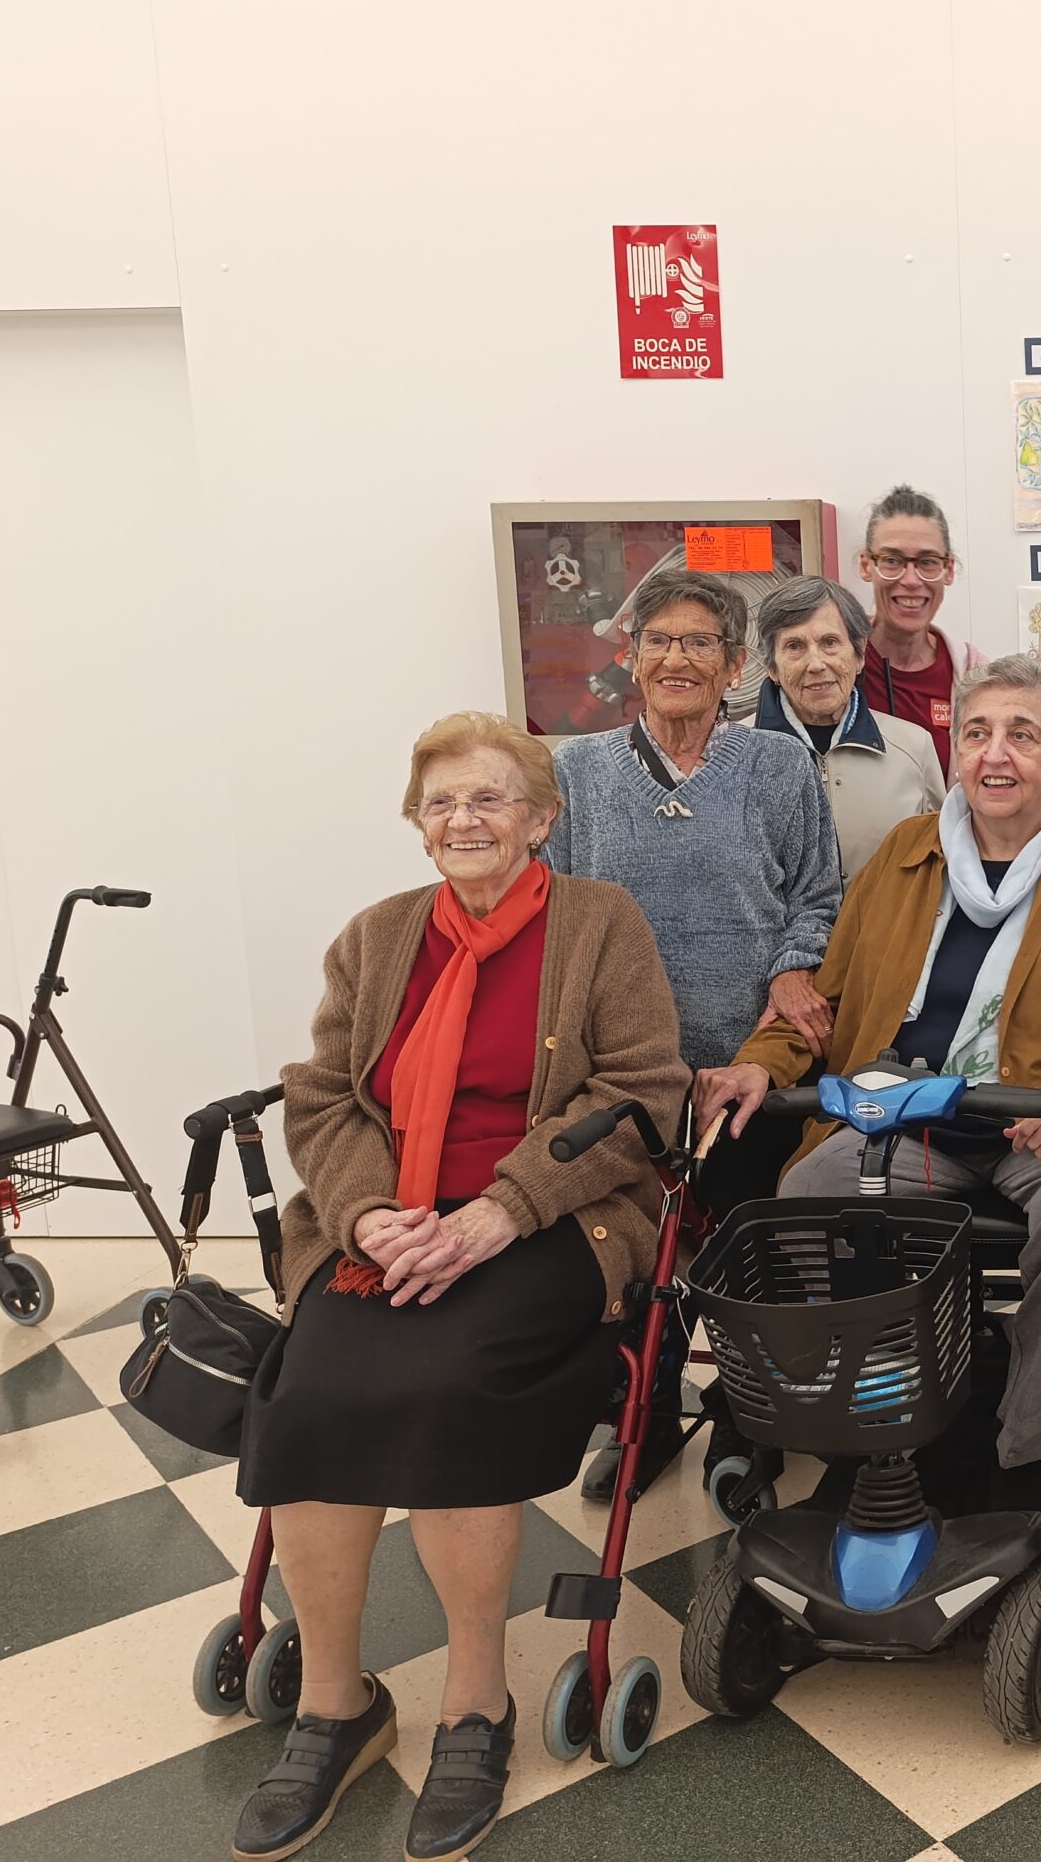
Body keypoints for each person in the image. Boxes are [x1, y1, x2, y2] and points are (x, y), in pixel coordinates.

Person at [232, 712, 688, 1862]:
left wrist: (502, 1208)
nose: (462, 819)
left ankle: (475, 1701)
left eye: (489, 797)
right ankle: (337, 1702)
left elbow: (640, 1092)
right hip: (389, 1225)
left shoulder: (601, 924)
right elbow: (324, 1095)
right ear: (417, 822)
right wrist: (366, 1211)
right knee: (312, 1393)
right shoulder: (377, 936)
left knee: (449, 1386)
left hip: (549, 1221)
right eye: (440, 801)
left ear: (540, 819)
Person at [700, 654, 1041, 1475]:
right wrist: (760, 1063)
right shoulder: (903, 854)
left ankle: (1023, 1430)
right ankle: (887, 1388)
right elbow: (827, 998)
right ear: (954, 749)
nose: (996, 755)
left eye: (1022, 735)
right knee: (806, 1194)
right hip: (906, 1116)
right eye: (977, 733)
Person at [543, 564, 840, 1496]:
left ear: (735, 665)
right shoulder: (577, 773)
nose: (678, 658)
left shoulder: (779, 766)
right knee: (635, 1247)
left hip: (747, 1060)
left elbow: (819, 894)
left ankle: (748, 1420)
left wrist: (794, 965)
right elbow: (551, 909)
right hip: (622, 1066)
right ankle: (647, 1413)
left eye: (700, 642)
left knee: (747, 1244)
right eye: (659, 641)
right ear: (632, 660)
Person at [743, 575, 943, 884]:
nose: (816, 664)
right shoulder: (734, 753)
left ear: (860, 653)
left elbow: (940, 865)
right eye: (795, 646)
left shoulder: (914, 748)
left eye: (829, 643)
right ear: (772, 667)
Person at [853, 484, 987, 777]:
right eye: (892, 561)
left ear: (948, 570)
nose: (911, 580)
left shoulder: (974, 676)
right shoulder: (835, 664)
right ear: (866, 565)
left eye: (928, 562)